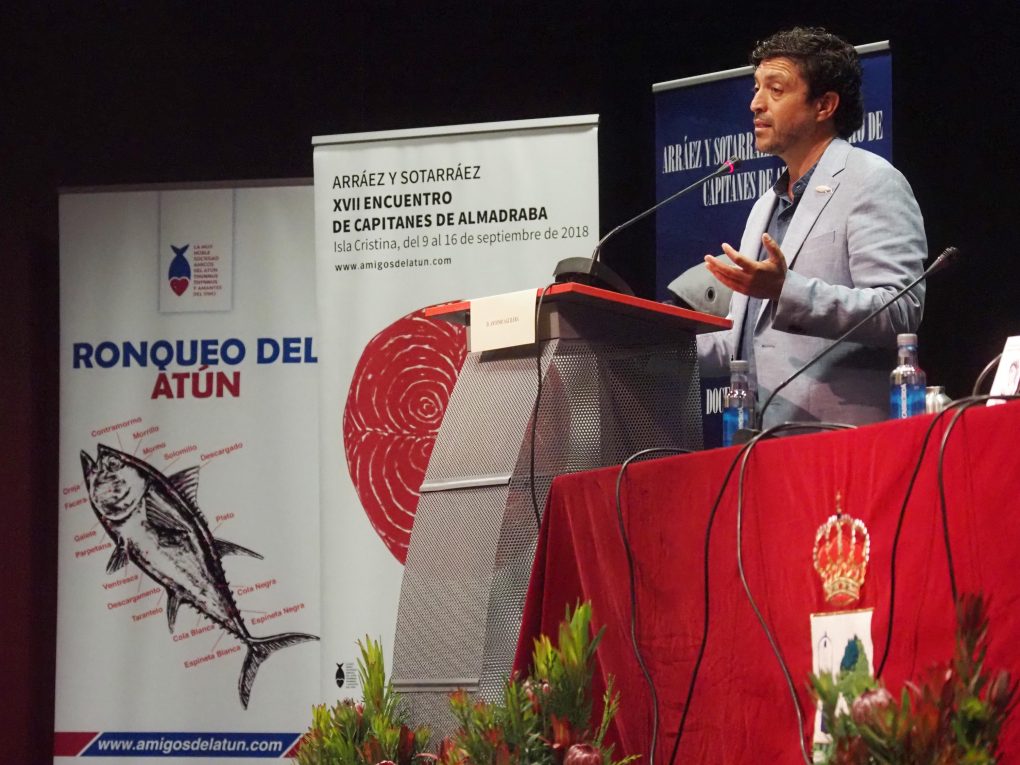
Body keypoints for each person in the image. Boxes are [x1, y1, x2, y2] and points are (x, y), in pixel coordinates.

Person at [698, 27, 927, 427]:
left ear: (824, 105)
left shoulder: (872, 181)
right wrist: (650, 346)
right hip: (758, 440)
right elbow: (742, 341)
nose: (756, 103)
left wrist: (785, 290)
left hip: (840, 438)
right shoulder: (765, 207)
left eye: (776, 90)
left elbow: (900, 310)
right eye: (756, 88)